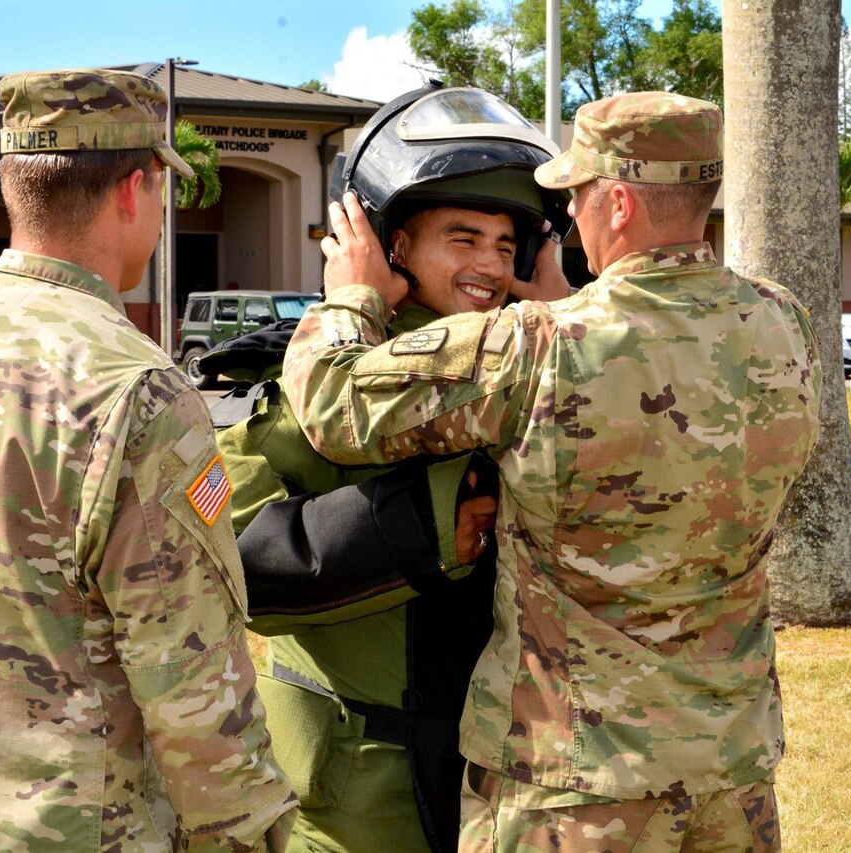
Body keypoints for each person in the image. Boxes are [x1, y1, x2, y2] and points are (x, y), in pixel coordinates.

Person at [281, 92, 822, 851]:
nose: (568, 220)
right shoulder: (782, 319)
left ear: (621, 202)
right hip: (733, 775)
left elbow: (333, 400)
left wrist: (355, 296)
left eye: (576, 197)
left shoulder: (535, 347)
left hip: (575, 788)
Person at [0, 68, 296, 849]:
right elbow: (197, 698)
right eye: (162, 193)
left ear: (10, 181)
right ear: (134, 189)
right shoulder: (139, 392)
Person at [209, 83, 573, 852]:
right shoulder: (327, 381)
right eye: (464, 238)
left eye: (508, 246)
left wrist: (566, 316)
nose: (489, 265)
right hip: (364, 794)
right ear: (393, 247)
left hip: (514, 787)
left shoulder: (534, 375)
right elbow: (232, 554)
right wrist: (445, 508)